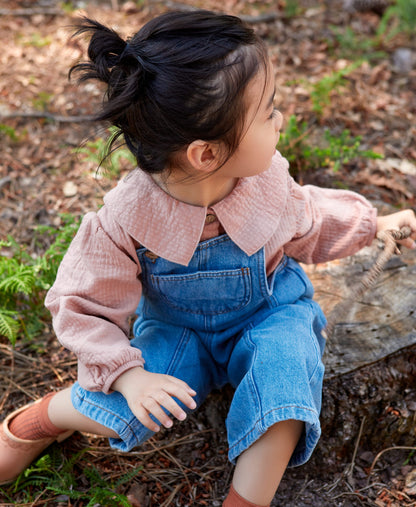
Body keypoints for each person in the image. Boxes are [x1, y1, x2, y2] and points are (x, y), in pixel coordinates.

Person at [1, 9, 415, 506]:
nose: (279, 120)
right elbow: (81, 304)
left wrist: (375, 224)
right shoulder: (127, 217)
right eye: (267, 113)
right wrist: (131, 376)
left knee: (284, 379)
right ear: (206, 154)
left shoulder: (267, 186)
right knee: (130, 402)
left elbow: (312, 217)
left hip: (267, 316)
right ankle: (42, 420)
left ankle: (244, 500)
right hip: (179, 331)